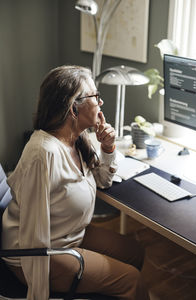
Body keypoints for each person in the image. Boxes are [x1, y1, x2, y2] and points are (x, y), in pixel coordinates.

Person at [2, 65, 150, 300]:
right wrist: (37, 292)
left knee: (134, 252)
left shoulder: (78, 139)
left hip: (70, 235)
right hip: (41, 253)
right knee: (132, 281)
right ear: (74, 107)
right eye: (95, 97)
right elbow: (33, 234)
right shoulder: (43, 153)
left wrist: (108, 148)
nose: (100, 103)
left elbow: (103, 181)